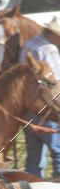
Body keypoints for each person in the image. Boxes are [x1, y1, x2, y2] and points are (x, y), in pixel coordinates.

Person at [19, 16, 60, 178]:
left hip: (29, 108)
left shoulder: (28, 44)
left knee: (34, 156)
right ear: (54, 35)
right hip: (47, 108)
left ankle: (33, 186)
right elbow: (56, 82)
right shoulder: (49, 49)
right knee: (58, 151)